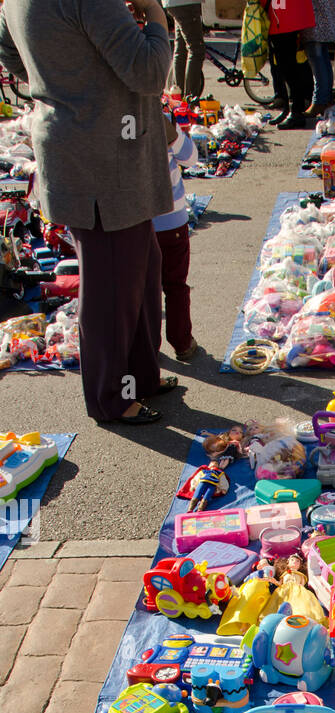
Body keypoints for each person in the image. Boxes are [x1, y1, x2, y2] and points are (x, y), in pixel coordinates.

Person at [0, 0, 176, 426]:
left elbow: (9, 52)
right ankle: (111, 398)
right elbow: (149, 73)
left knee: (139, 269)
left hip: (87, 149)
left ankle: (139, 378)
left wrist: (62, 83)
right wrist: (155, 13)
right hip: (103, 161)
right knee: (113, 286)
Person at [153, 113, 199, 362]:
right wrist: (175, 129)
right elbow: (191, 158)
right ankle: (182, 342)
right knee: (175, 285)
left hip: (136, 222)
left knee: (144, 289)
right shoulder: (161, 122)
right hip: (171, 220)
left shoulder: (115, 116)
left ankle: (148, 348)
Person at [263, 0, 314, 129]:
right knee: (284, 69)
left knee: (289, 70)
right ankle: (288, 110)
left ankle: (295, 113)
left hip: (283, 18)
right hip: (283, 17)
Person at [302, 0, 335, 119]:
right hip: (323, 19)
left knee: (317, 59)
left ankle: (319, 101)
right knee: (323, 59)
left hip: (316, 21)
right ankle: (326, 98)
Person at [163, 0, 204, 98]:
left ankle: (178, 95)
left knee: (181, 48)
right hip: (186, 4)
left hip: (175, 4)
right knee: (196, 50)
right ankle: (190, 97)